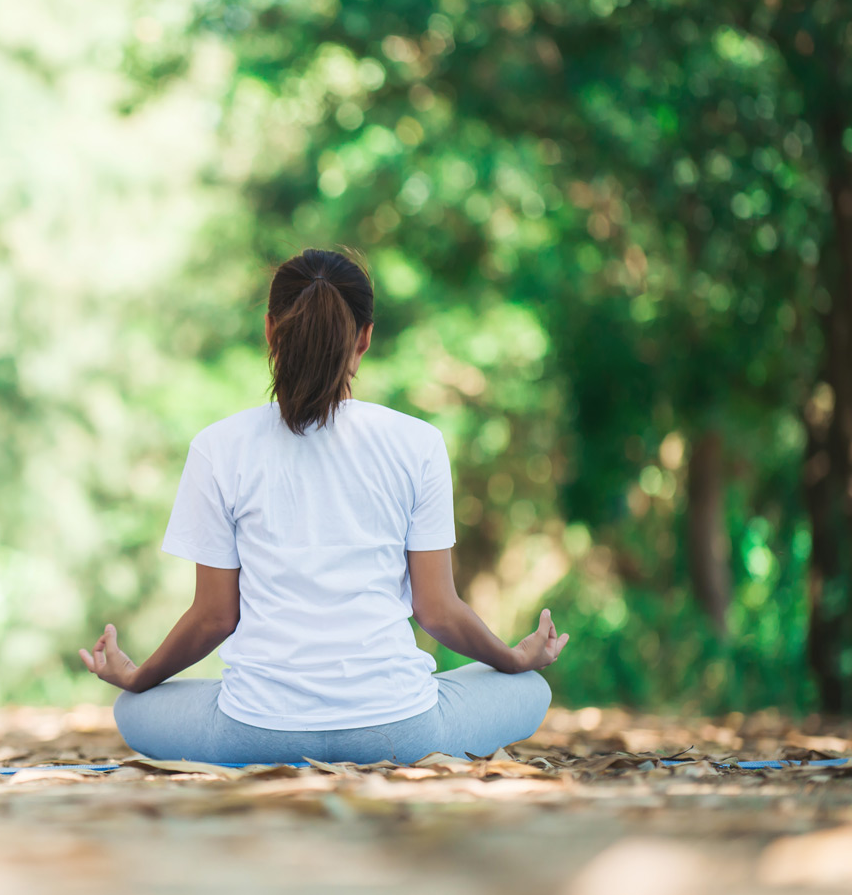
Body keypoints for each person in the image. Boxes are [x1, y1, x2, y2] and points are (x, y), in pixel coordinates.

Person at [78, 247, 568, 765]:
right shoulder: (417, 442)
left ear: (270, 331)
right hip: (401, 731)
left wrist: (137, 676)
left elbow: (214, 618)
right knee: (530, 690)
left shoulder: (218, 446)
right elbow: (437, 611)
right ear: (365, 338)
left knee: (132, 710)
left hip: (258, 735)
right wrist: (514, 659)